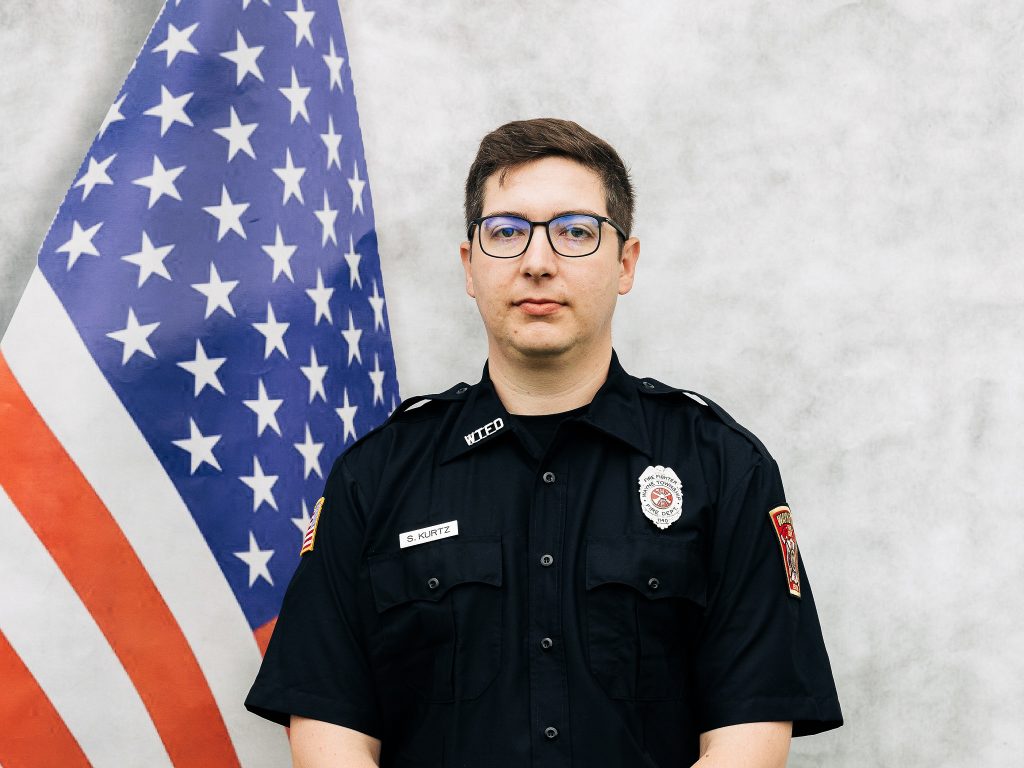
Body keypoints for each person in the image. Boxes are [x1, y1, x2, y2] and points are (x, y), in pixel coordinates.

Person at [245, 118, 843, 767]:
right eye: (506, 232)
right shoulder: (377, 476)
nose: (537, 262)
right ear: (470, 266)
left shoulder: (723, 468)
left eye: (575, 232)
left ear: (625, 264)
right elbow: (328, 728)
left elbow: (750, 733)